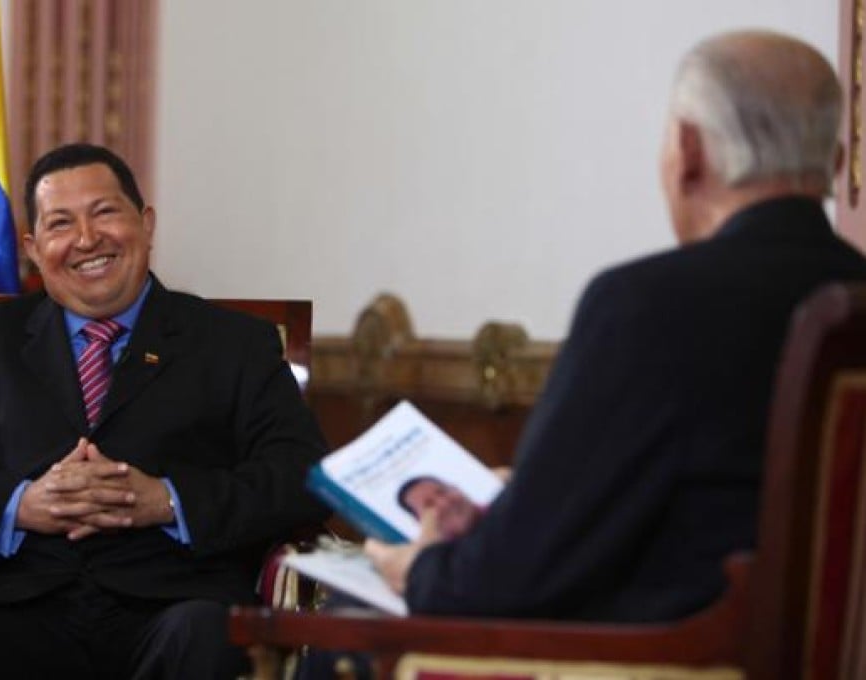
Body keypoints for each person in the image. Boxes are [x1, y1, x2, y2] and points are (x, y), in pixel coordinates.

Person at [365, 30, 866, 623]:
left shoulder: (646, 306)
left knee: (346, 642)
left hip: (663, 656)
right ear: (833, 163)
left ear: (689, 151)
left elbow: (503, 580)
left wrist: (419, 569)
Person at [0, 143, 329, 679]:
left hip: (176, 605)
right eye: (61, 224)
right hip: (19, 608)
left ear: (146, 224)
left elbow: (303, 477)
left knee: (206, 639)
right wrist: (19, 505)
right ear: (35, 249)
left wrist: (168, 501)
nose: (86, 239)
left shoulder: (233, 345)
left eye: (105, 212)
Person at [396, 475, 484, 540]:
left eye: (443, 492)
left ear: (457, 488)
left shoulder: (497, 511)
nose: (445, 503)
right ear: (420, 521)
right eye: (429, 505)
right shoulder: (445, 562)